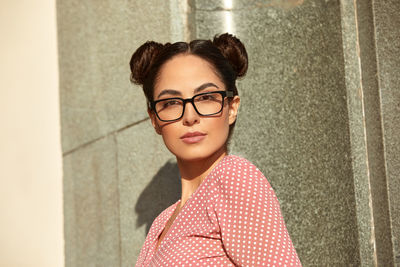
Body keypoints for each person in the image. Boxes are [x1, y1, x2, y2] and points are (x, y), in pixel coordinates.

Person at [130, 33, 302, 266]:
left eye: (206, 97)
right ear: (154, 119)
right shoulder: (162, 222)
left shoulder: (234, 178)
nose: (190, 116)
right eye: (171, 102)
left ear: (231, 108)